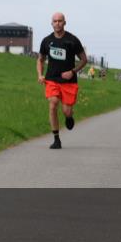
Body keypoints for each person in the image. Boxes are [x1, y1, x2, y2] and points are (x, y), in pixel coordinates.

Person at [36, 12, 88, 149]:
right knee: (53, 104)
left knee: (66, 111)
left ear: (64, 23)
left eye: (60, 21)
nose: (57, 23)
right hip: (52, 79)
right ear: (51, 23)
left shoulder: (72, 40)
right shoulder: (46, 41)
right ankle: (56, 139)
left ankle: (69, 117)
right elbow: (40, 59)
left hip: (69, 82)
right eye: (55, 21)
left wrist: (73, 72)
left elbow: (84, 60)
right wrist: (40, 75)